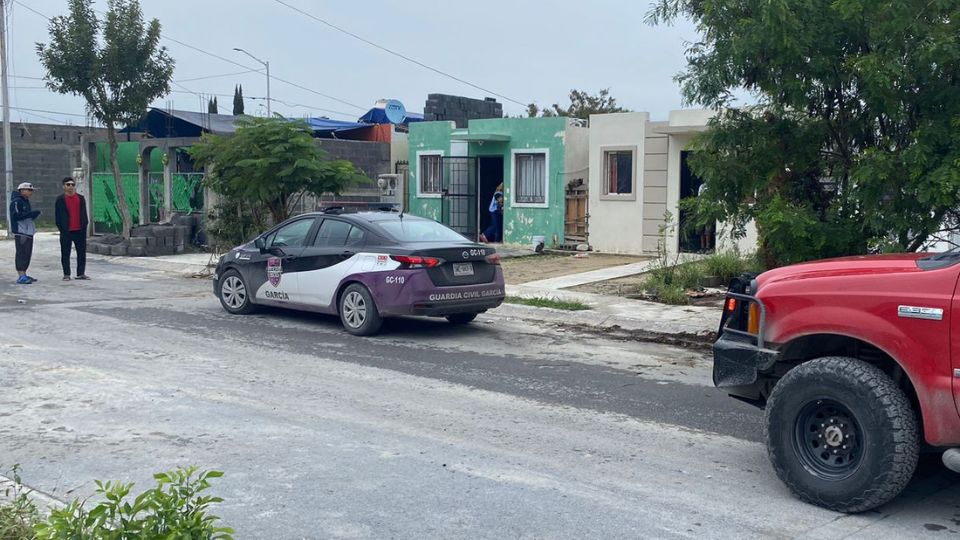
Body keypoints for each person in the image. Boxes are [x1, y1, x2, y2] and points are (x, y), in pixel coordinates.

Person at [54, 176, 90, 281]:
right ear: (63, 186)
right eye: (68, 185)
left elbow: (84, 214)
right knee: (65, 253)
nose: (70, 187)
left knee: (81, 253)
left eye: (72, 185)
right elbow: (58, 216)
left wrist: (84, 226)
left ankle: (80, 273)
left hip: (79, 230)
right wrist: (62, 228)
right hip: (66, 231)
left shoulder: (80, 198)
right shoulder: (60, 200)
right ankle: (66, 274)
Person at [9, 182, 40, 284]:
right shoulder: (17, 201)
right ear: (22, 190)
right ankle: (21, 275)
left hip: (28, 232)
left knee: (27, 254)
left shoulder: (26, 201)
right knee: (21, 253)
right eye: (29, 190)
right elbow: (16, 216)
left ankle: (24, 273)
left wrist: (33, 215)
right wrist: (30, 214)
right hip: (21, 232)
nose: (31, 192)